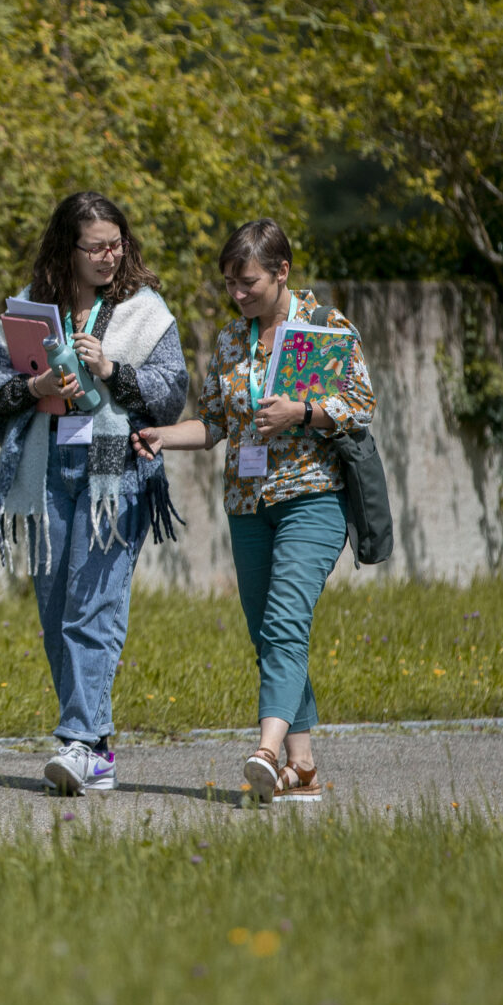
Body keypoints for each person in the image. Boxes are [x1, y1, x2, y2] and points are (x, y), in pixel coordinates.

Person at [136, 219, 374, 803]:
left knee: (286, 622)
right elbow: (216, 423)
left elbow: (360, 407)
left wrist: (302, 412)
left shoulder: (323, 328)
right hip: (248, 505)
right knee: (266, 633)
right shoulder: (229, 340)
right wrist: (164, 435)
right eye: (230, 284)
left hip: (312, 498)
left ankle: (265, 751)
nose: (237, 294)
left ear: (282, 272)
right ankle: (304, 765)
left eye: (248, 282)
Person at [0, 192, 190, 796]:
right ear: (66, 249)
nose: (108, 255)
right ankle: (94, 750)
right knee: (54, 612)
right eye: (95, 246)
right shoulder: (32, 310)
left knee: (92, 605)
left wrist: (112, 371)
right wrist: (35, 383)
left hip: (111, 467)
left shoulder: (145, 310)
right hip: (44, 468)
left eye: (116, 243)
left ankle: (79, 740)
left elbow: (172, 392)